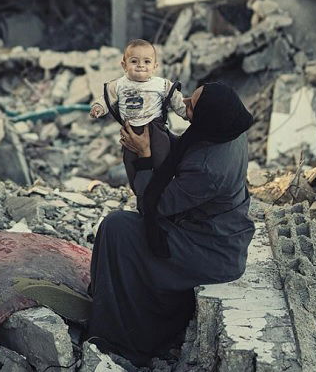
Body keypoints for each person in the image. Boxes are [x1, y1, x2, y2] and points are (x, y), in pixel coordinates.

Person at [86, 81, 256, 366]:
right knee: (119, 229)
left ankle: (118, 336)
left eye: (192, 106)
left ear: (208, 118)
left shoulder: (209, 169)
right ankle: (107, 298)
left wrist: (144, 156)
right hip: (214, 230)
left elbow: (155, 205)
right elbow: (188, 154)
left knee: (118, 229)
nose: (185, 103)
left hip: (212, 251)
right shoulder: (229, 130)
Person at [90, 39, 187, 193]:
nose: (141, 65)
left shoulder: (160, 84)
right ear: (124, 65)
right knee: (130, 162)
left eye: (147, 61)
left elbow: (176, 99)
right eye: (134, 61)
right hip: (131, 130)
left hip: (155, 128)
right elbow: (106, 97)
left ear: (155, 67)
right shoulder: (119, 84)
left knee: (162, 161)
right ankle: (139, 191)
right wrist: (98, 108)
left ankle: (164, 189)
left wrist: (186, 113)